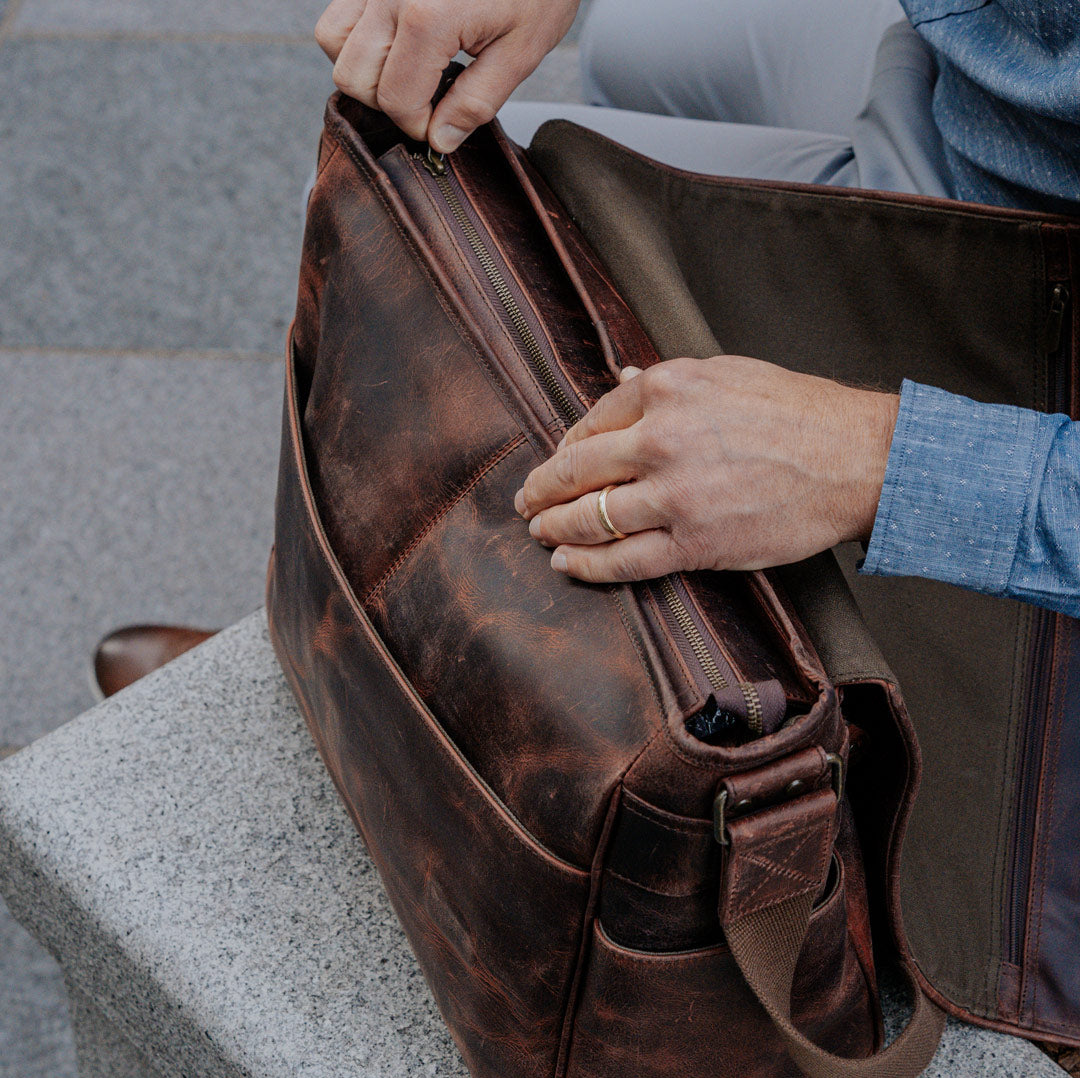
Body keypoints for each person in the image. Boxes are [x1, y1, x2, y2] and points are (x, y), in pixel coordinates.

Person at [93, 0, 1080, 695]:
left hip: (1038, 303)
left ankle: (378, 683)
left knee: (458, 247)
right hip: (985, 82)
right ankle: (350, 644)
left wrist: (876, 457)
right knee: (643, 41)